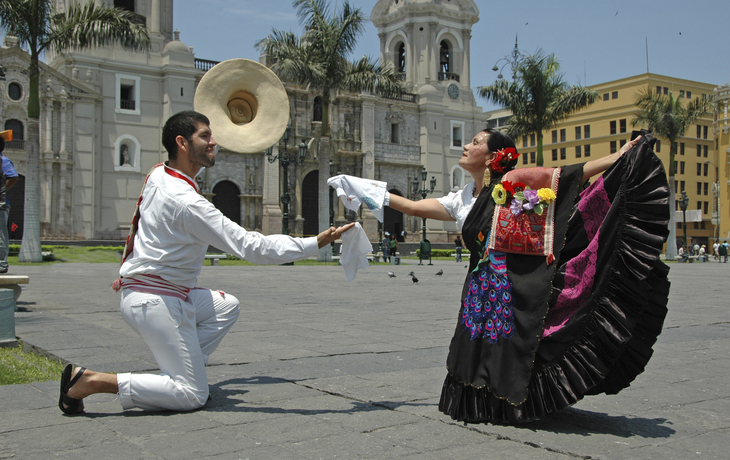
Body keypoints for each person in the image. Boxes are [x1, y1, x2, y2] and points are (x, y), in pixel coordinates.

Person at [332, 128, 670, 423]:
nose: (466, 146)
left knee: (512, 343)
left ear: (493, 156)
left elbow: (570, 174)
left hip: (513, 282)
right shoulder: (462, 198)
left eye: (476, 142)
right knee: (476, 343)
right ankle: (483, 404)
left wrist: (620, 156)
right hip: (479, 286)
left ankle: (513, 403)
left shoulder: (515, 183)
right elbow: (411, 206)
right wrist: (363, 188)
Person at [59, 111, 354, 414]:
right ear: (181, 143)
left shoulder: (160, 174)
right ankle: (91, 381)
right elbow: (251, 247)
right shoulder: (187, 202)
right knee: (191, 396)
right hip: (155, 300)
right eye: (205, 136)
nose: (214, 142)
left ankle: (183, 374)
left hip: (156, 292)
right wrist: (314, 243)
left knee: (227, 306)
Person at [0, 137, 18, 274]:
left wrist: (2, 190)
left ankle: (1, 264)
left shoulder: (3, 161)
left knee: (0, 234)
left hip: (0, 204)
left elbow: (13, 176)